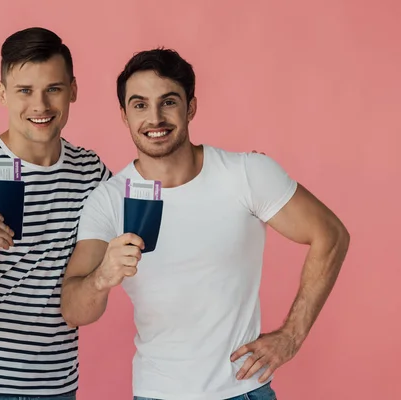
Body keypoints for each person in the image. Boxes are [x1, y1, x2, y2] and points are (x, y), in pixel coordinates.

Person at [60, 48, 350, 400]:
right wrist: (104, 275)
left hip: (244, 391)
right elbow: (74, 310)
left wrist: (292, 335)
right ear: (124, 115)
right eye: (139, 105)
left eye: (168, 102)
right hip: (157, 392)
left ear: (190, 107)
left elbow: (330, 235)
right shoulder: (107, 200)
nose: (154, 118)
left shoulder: (246, 174)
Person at [0, 27, 111, 399]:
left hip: (54, 388)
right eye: (25, 91)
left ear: (73, 90)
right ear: (2, 95)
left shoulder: (92, 174)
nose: (40, 106)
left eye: (53, 89)